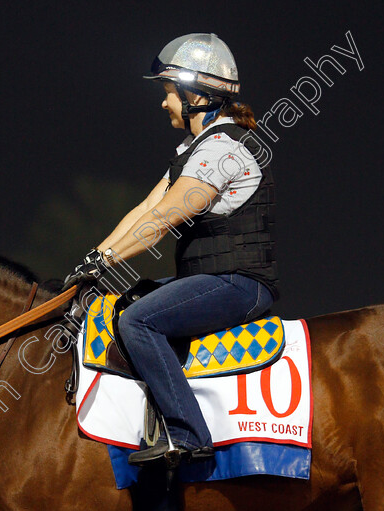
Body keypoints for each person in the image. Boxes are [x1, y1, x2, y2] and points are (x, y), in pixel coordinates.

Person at [62, 33, 279, 467]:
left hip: (239, 284)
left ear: (196, 95)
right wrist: (91, 261)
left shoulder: (221, 150)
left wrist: (105, 261)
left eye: (168, 93)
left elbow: (161, 222)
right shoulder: (192, 151)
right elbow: (146, 207)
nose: (164, 103)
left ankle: (188, 437)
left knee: (138, 321)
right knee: (123, 301)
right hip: (213, 280)